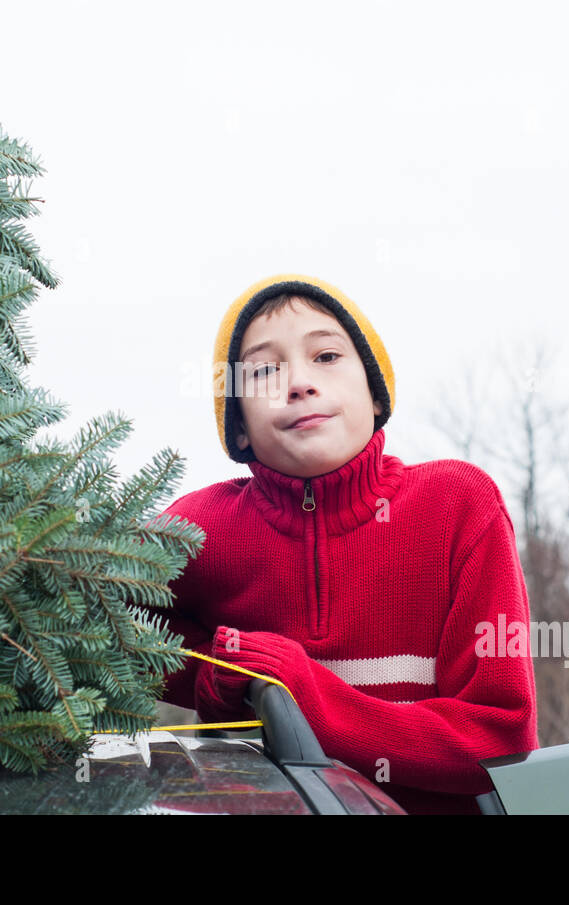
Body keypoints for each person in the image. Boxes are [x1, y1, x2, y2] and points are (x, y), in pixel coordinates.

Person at [147, 273, 538, 814]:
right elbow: (86, 622)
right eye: (263, 370)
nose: (300, 383)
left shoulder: (458, 506)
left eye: (326, 357)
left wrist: (308, 699)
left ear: (376, 396)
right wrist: (214, 673)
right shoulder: (200, 528)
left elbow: (497, 741)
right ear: (238, 428)